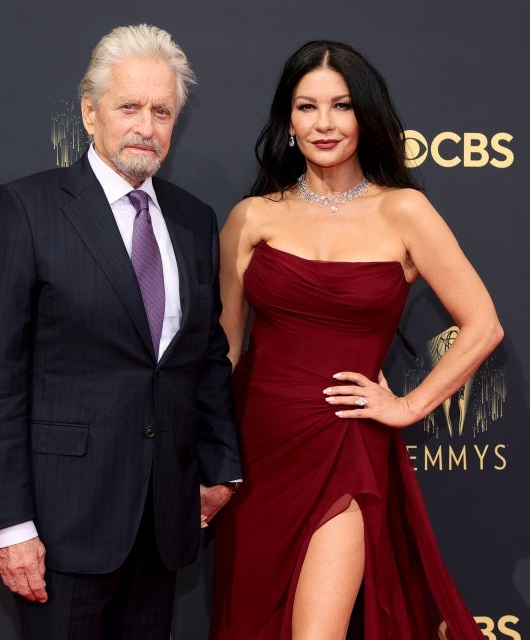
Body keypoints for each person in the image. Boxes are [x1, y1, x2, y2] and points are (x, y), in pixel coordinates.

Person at [209, 40, 502, 639]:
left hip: (345, 445)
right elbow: (226, 349)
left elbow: (483, 325)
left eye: (340, 106)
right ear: (286, 121)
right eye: (306, 106)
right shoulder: (251, 217)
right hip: (254, 449)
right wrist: (206, 455)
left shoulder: (405, 211)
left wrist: (409, 404)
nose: (323, 124)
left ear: (364, 115)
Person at [0, 24, 242, 640]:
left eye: (162, 110)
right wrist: (11, 526)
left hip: (164, 521)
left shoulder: (195, 220)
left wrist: (222, 466)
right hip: (61, 527)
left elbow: (208, 355)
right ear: (90, 114)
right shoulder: (25, 210)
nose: (146, 126)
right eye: (129, 107)